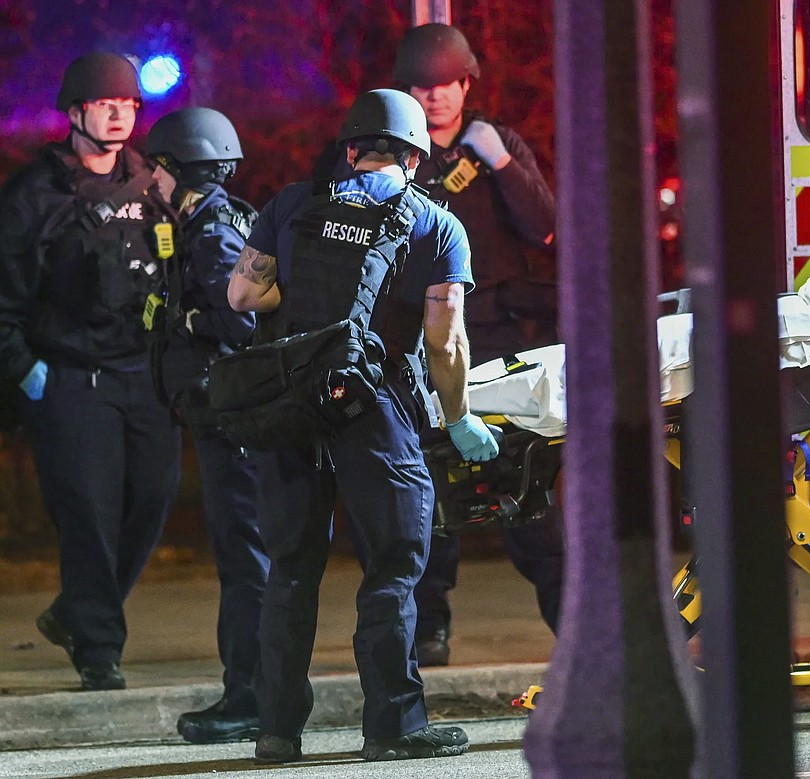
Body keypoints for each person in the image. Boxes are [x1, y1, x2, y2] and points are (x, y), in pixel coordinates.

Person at [225, 88, 498, 763]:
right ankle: (393, 726)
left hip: (289, 406)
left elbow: (242, 294)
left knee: (290, 566)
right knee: (393, 566)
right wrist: (460, 417)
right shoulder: (437, 225)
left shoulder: (290, 204)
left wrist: (307, 311)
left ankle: (277, 729)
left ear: (349, 150)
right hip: (371, 408)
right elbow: (445, 343)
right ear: (415, 156)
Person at [0, 52, 181, 691]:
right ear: (76, 111)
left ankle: (76, 613)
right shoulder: (33, 196)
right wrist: (28, 374)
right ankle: (99, 648)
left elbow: (190, 266)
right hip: (72, 380)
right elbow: (3, 300)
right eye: (104, 102)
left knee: (153, 498)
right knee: (89, 515)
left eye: (128, 103)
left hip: (143, 376)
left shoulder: (157, 184)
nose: (118, 112)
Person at [393, 22, 564, 666]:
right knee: (428, 488)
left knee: (525, 480)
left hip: (493, 335)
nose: (435, 98)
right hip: (415, 341)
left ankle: (576, 629)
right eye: (422, 87)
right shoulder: (388, 150)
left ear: (467, 85)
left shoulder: (494, 144)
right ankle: (428, 627)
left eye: (446, 85)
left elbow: (545, 227)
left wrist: (499, 161)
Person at [143, 107, 268, 743]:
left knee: (246, 561)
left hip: (234, 422)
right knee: (250, 558)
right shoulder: (213, 222)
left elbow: (240, 319)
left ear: (179, 170)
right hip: (228, 418)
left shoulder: (213, 233)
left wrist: (191, 324)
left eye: (157, 169)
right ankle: (258, 695)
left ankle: (249, 699)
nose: (152, 181)